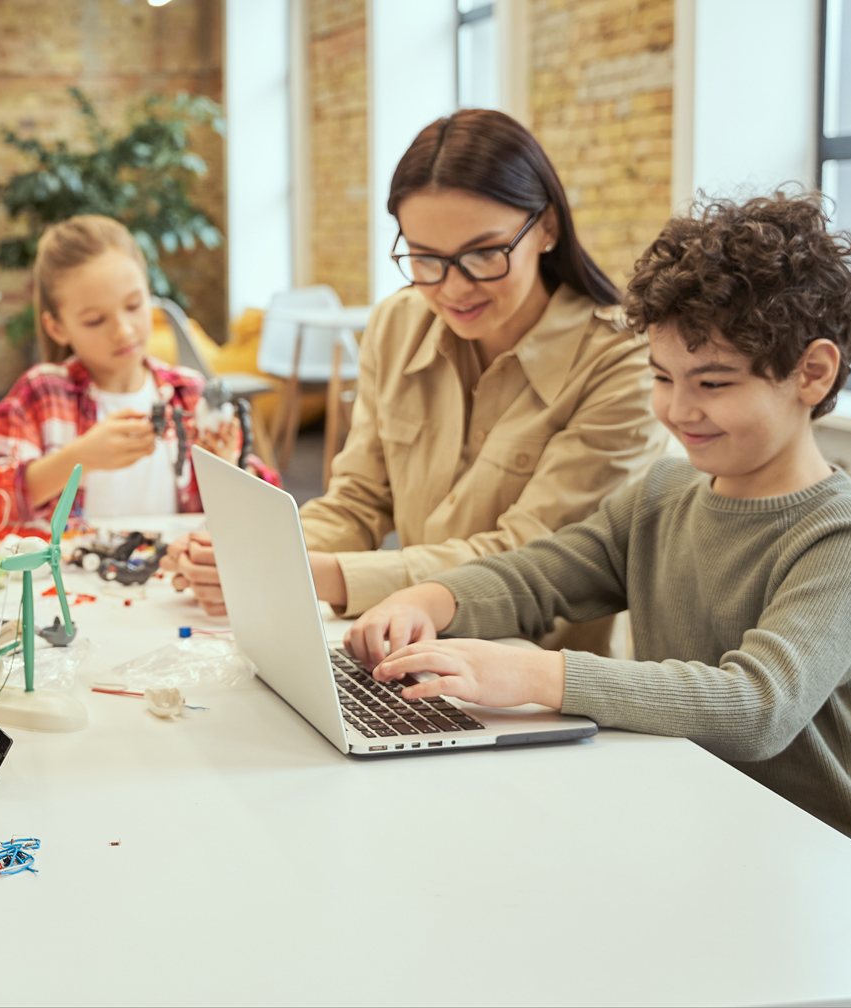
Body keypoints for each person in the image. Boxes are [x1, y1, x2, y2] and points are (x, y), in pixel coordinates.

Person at [348, 191, 851, 844]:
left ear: (812, 374)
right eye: (661, 376)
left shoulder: (850, 539)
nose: (678, 410)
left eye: (713, 384)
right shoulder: (663, 492)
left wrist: (537, 675)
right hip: (697, 812)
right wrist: (435, 597)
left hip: (836, 852)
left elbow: (758, 706)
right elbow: (544, 574)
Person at [166, 110, 666, 655]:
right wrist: (248, 556)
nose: (453, 288)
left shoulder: (624, 363)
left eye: (483, 254)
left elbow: (527, 556)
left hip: (549, 685)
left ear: (546, 227)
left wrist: (319, 575)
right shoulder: (398, 323)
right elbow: (357, 500)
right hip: (412, 656)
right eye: (425, 258)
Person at [0, 214, 277, 526]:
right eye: (96, 320)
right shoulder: (40, 394)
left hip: (172, 572)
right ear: (56, 327)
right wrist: (77, 459)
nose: (123, 331)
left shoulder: (188, 393)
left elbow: (267, 510)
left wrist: (231, 469)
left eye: (135, 305)